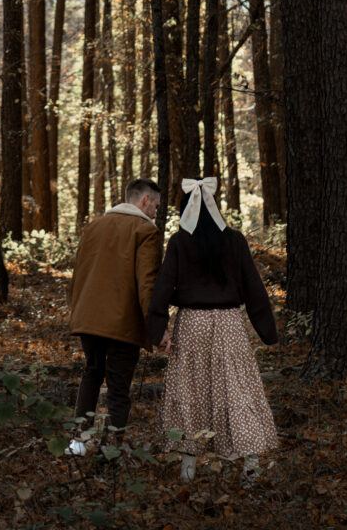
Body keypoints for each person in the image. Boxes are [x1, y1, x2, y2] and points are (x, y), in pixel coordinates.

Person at [147, 177, 278, 484]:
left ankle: (188, 472)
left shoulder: (179, 242)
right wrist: (268, 333)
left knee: (190, 391)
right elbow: (254, 289)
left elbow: (163, 287)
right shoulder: (234, 240)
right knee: (237, 389)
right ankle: (251, 470)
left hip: (192, 324)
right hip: (229, 323)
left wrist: (157, 330)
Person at [67, 177, 163, 453]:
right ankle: (110, 451)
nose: (156, 211)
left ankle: (77, 443)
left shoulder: (94, 226)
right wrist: (156, 327)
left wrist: (77, 311)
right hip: (123, 323)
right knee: (119, 388)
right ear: (144, 200)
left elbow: (79, 273)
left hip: (88, 317)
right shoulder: (145, 231)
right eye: (155, 205)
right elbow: (148, 284)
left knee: (92, 375)